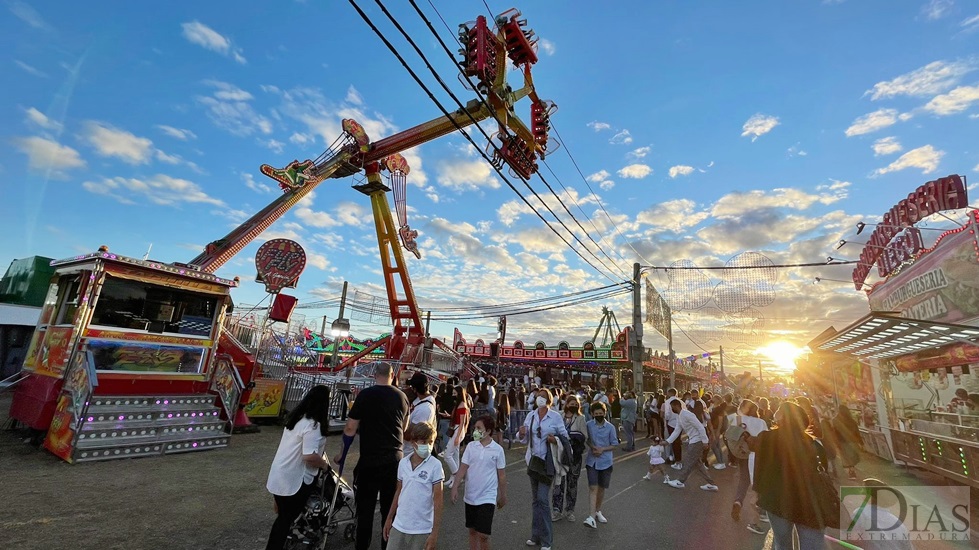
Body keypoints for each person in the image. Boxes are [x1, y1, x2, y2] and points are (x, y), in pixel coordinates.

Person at [335, 362, 409, 550]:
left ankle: (362, 545)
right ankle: (387, 545)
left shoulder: (365, 395)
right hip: (394, 459)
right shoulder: (402, 397)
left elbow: (350, 427)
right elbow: (405, 427)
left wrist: (342, 453)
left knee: (365, 509)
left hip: (369, 459)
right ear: (393, 375)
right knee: (389, 510)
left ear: (375, 375)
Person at [753, 401, 829, 550]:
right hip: (810, 504)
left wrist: (756, 493)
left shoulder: (766, 438)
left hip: (777, 501)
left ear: (781, 417)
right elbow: (824, 474)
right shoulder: (815, 445)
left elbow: (759, 469)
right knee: (812, 545)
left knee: (782, 544)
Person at [265, 385, 331, 550]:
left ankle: (294, 535)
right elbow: (309, 456)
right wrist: (325, 466)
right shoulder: (313, 426)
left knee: (284, 517)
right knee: (285, 519)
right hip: (294, 478)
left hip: (280, 472)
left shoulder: (296, 420)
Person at [519, 388, 568, 550]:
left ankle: (547, 539)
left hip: (548, 463)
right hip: (533, 461)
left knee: (542, 499)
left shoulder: (555, 417)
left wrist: (555, 440)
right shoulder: (531, 415)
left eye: (543, 396)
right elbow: (524, 439)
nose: (540, 399)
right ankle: (536, 535)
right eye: (538, 396)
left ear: (549, 399)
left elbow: (565, 437)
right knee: (535, 501)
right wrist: (521, 433)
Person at [383, 423, 444, 550]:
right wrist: (389, 518)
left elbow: (438, 501)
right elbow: (399, 491)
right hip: (399, 525)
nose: (427, 446)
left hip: (421, 529)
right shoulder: (403, 463)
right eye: (423, 442)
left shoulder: (435, 465)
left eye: (430, 442)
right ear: (413, 442)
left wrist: (434, 533)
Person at [451, 415, 508, 550]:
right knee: (472, 531)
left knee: (483, 535)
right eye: (475, 428)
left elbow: (502, 475)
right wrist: (454, 487)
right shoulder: (471, 447)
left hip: (487, 496)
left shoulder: (498, 450)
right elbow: (462, 469)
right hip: (470, 495)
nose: (475, 431)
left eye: (478, 428)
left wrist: (503, 495)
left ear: (488, 431)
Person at [727, 399, 769, 535]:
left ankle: (738, 501)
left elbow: (730, 437)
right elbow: (766, 440)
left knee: (744, 479)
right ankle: (758, 515)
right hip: (759, 456)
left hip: (742, 453)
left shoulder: (737, 419)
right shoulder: (761, 422)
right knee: (758, 484)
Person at [665, 398, 719, 491]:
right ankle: (711, 484)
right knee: (698, 464)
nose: (671, 409)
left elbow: (700, 427)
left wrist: (705, 441)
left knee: (689, 461)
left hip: (697, 441)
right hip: (694, 440)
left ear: (676, 406)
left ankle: (680, 481)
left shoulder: (687, 414)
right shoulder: (680, 416)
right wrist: (667, 441)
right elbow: (677, 430)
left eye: (672, 407)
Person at [552, 394, 588, 523]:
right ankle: (556, 509)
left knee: (572, 483)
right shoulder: (558, 416)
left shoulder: (581, 418)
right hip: (560, 455)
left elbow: (584, 436)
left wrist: (570, 437)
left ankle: (570, 510)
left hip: (574, 456)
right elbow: (554, 431)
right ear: (566, 404)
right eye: (571, 404)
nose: (573, 406)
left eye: (575, 404)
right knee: (558, 483)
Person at [582, 401, 617, 529]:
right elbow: (586, 438)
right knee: (593, 487)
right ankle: (591, 516)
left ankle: (597, 510)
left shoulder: (610, 428)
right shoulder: (588, 425)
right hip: (592, 461)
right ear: (592, 414)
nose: (598, 415)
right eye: (596, 414)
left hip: (606, 461)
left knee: (601, 488)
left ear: (605, 413)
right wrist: (592, 447)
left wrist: (602, 449)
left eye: (600, 413)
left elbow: (614, 444)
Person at [445, 385, 471, 489]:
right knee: (454, 455)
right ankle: (454, 477)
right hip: (457, 430)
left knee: (447, 455)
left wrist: (457, 436)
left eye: (455, 393)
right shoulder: (460, 405)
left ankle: (457, 476)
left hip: (458, 431)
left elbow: (462, 422)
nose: (453, 395)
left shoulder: (462, 405)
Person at [406, 373, 437, 456]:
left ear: (415, 389)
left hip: (411, 452)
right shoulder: (424, 399)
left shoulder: (425, 409)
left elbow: (409, 435)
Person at [834, 403, 863, 480]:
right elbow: (857, 431)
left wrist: (836, 443)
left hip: (842, 442)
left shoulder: (836, 420)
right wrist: (860, 442)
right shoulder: (851, 420)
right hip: (852, 441)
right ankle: (852, 470)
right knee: (852, 456)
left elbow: (835, 432)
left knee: (846, 457)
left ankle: (851, 471)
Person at [662, 388, 683, 468]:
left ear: (669, 393)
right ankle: (676, 458)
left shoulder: (667, 402)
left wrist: (666, 420)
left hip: (671, 423)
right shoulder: (681, 401)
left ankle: (671, 458)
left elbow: (667, 414)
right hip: (680, 423)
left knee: (670, 441)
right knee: (677, 442)